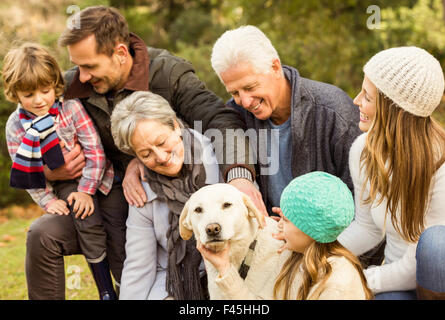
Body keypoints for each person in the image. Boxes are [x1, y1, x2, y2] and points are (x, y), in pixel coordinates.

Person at [23, 6, 258, 299]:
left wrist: (238, 175)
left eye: (90, 66)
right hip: (100, 197)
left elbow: (221, 121)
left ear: (120, 53)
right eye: (77, 66)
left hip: (158, 194)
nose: (80, 76)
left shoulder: (168, 73)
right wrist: (48, 170)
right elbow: (28, 133)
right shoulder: (73, 86)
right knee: (43, 235)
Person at [2, 43, 117, 300]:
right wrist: (48, 200)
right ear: (15, 93)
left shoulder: (70, 108)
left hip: (101, 178)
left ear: (55, 85)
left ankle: (125, 288)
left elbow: (95, 151)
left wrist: (87, 190)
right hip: (65, 188)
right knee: (85, 217)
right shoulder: (16, 127)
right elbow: (27, 172)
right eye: (29, 94)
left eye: (45, 91)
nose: (39, 100)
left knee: (115, 227)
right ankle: (106, 292)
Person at [210, 25, 362, 215]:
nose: (245, 101)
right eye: (235, 92)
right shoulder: (235, 114)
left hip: (330, 242)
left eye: (250, 87)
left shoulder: (334, 111)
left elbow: (364, 203)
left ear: (275, 67)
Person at [337, 46, 445, 299]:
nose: (356, 101)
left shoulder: (444, 164)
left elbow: (425, 260)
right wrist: (320, 256)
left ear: (394, 110)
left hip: (437, 282)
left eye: (366, 96)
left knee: (436, 242)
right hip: (397, 278)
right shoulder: (363, 151)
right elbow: (367, 228)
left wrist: (355, 281)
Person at [110, 91, 221, 299]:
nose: (161, 157)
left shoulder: (218, 157)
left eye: (161, 142)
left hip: (228, 270)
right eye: (145, 154)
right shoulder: (142, 189)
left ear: (175, 125)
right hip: (174, 278)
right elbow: (138, 266)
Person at [198, 171, 373, 300]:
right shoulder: (297, 261)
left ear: (309, 230)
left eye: (286, 220)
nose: (278, 224)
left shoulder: (338, 285)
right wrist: (225, 269)